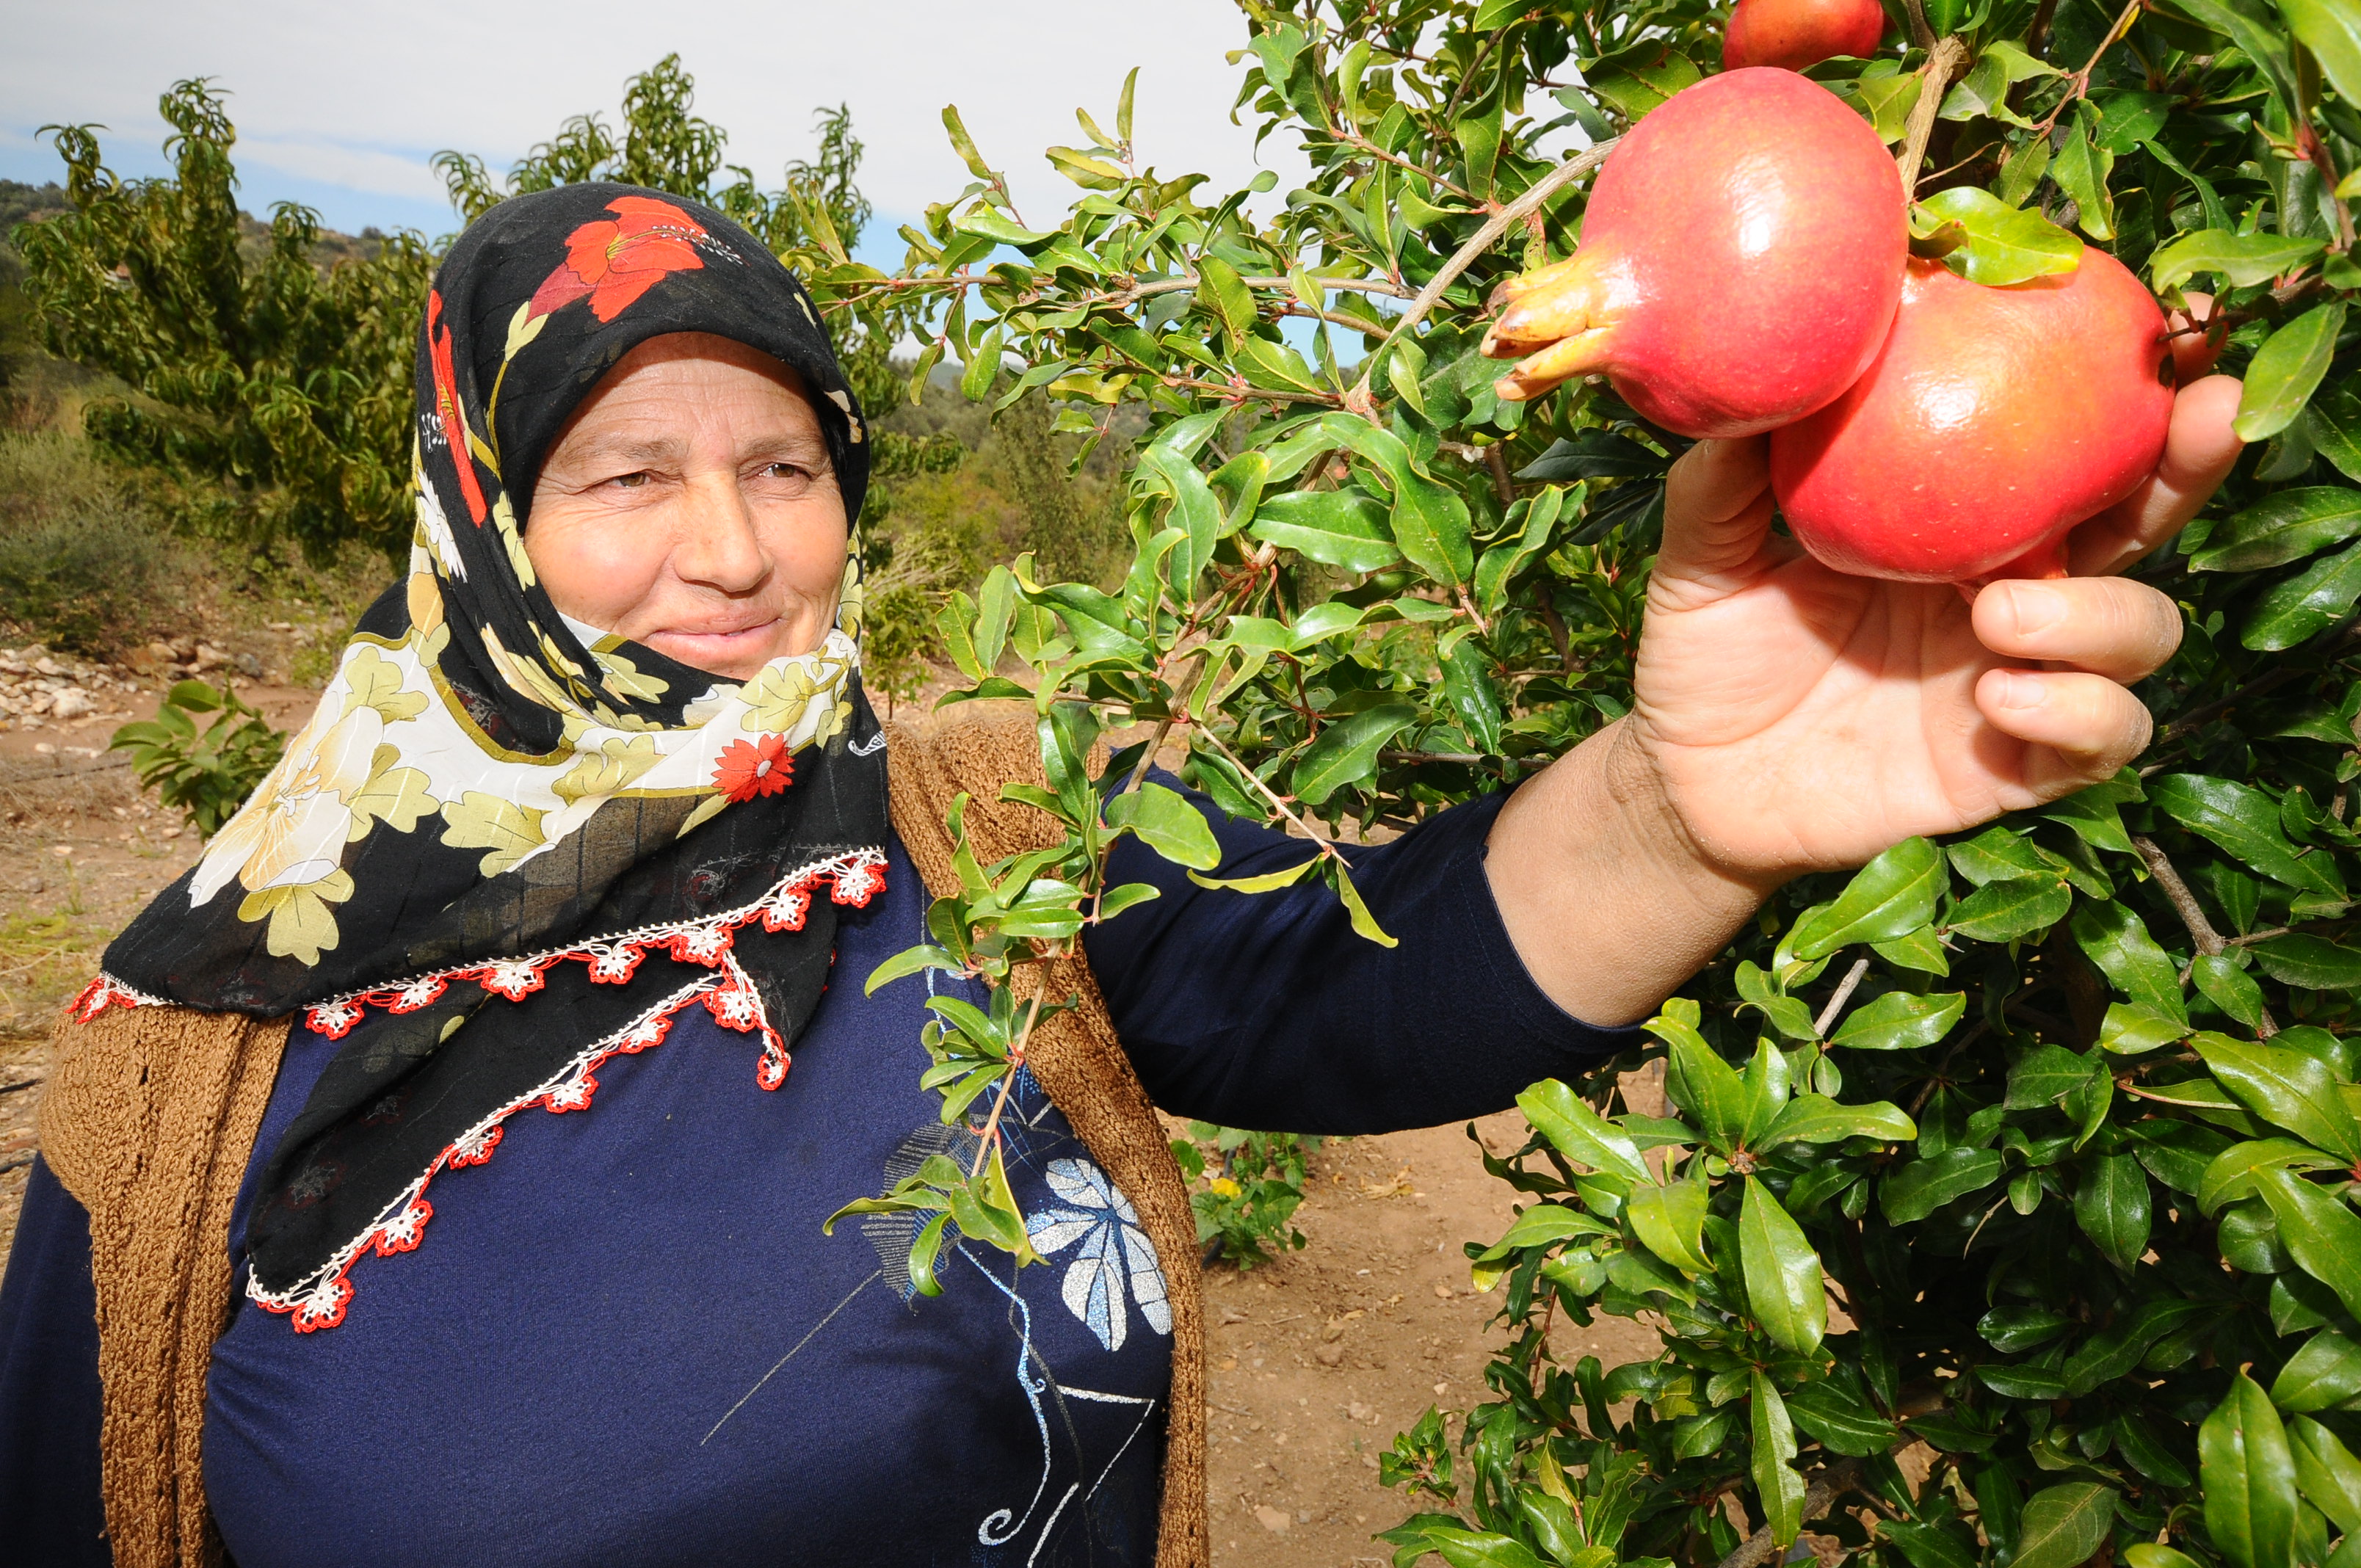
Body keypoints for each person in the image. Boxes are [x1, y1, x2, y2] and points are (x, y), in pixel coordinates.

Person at [0, 181, 2241, 1568]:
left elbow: (1369, 993)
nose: (731, 548)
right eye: (624, 474)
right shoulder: (186, 1061)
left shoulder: (976, 828)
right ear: (475, 510)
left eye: (785, 461)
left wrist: (1684, 800)